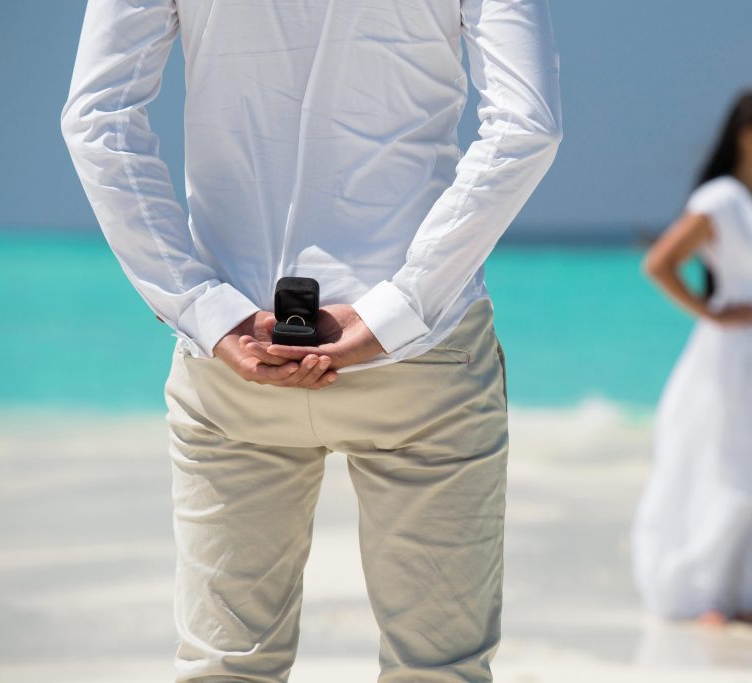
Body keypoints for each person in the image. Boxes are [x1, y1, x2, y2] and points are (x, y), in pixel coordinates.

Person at [60, 0, 561, 680]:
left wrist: (207, 310)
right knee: (439, 669)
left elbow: (99, 122)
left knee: (226, 668)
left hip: (238, 353)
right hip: (420, 359)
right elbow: (527, 125)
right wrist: (399, 307)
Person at [630, 91, 752, 633]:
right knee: (733, 472)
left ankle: (744, 597)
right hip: (739, 359)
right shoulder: (720, 199)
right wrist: (711, 313)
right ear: (749, 135)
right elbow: (659, 263)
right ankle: (708, 597)